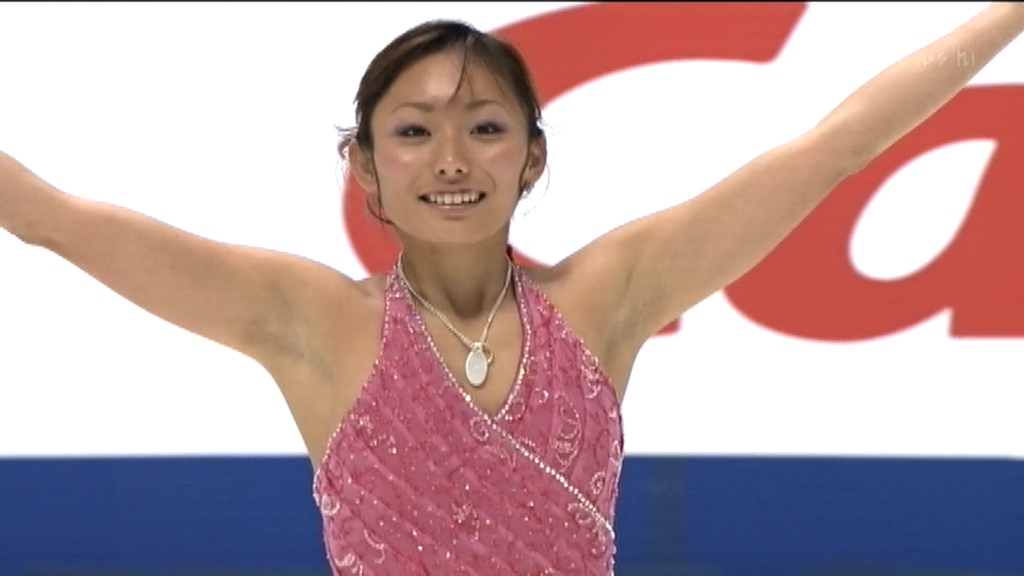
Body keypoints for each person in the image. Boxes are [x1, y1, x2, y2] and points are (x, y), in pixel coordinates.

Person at [2, 4, 1023, 574]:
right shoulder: (309, 321)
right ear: (364, 167)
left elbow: (837, 148)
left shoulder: (607, 298)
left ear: (533, 156)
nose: (452, 159)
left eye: (485, 127)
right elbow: (51, 217)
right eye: (414, 131)